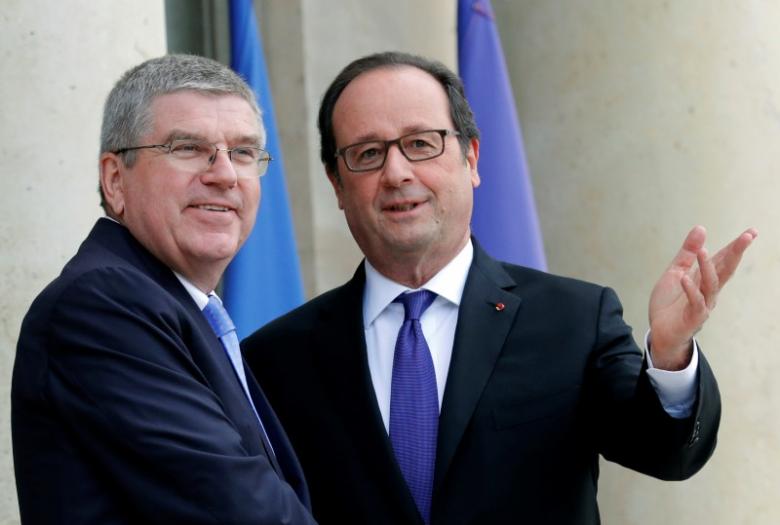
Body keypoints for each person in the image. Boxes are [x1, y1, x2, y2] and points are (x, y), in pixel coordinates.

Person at [242, 51, 757, 525]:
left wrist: (669, 358)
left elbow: (666, 453)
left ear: (471, 159)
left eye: (421, 144)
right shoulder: (275, 359)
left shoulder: (573, 318)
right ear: (336, 184)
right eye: (368, 153)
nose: (396, 173)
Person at [12, 54, 317, 524]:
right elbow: (245, 513)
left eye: (243, 152)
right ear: (115, 180)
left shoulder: (181, 306)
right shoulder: (104, 306)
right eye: (188, 148)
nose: (224, 174)